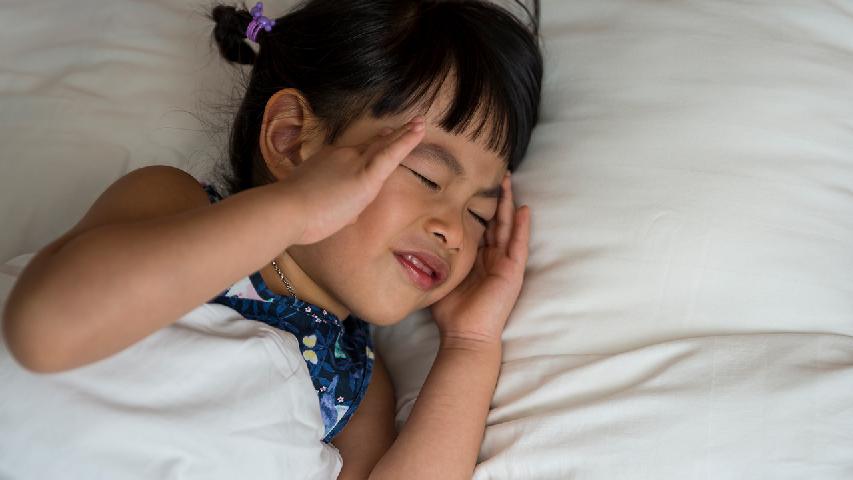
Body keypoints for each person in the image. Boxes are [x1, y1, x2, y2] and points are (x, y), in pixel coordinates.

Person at [2, 0, 542, 477]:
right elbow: (45, 332)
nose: (451, 228)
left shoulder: (358, 389)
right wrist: (298, 207)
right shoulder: (173, 205)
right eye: (426, 176)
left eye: (479, 212)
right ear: (290, 141)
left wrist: (471, 346)